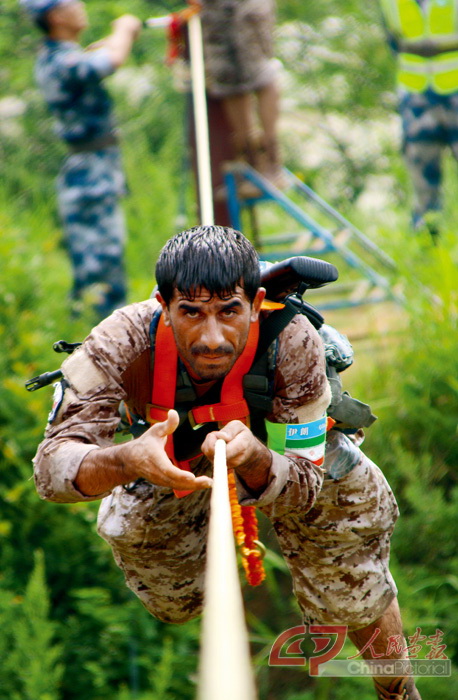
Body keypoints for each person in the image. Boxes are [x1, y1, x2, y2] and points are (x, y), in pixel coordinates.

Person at [33, 225, 421, 700]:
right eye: (191, 313)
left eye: (229, 312)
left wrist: (256, 459)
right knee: (173, 599)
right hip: (165, 461)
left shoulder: (292, 340)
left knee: (352, 584)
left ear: (256, 303)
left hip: (289, 458)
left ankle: (399, 692)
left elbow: (305, 482)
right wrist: (128, 459)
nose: (212, 337)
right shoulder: (118, 342)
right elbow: (52, 467)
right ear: (162, 304)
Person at [21, 0, 142, 316]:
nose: (81, 6)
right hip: (90, 176)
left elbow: (100, 55)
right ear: (57, 16)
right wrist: (124, 27)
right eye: (72, 3)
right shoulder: (61, 62)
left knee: (101, 270)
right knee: (102, 275)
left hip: (93, 169)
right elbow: (112, 59)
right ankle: (106, 348)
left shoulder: (62, 57)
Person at [379, 0, 458, 238]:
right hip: (415, 99)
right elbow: (392, 39)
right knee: (423, 182)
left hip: (455, 91)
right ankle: (428, 245)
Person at [199, 0, 287, 196]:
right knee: (227, 77)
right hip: (215, 9)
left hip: (242, 6)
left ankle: (270, 165)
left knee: (257, 70)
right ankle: (249, 165)